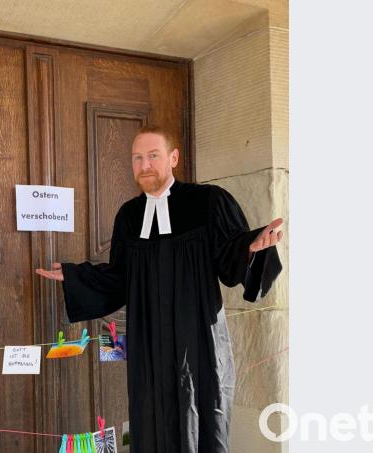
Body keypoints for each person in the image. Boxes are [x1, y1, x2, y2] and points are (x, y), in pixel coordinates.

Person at [35, 125, 283, 453]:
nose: (145, 165)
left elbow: (229, 258)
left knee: (203, 415)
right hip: (148, 345)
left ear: (173, 158)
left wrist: (250, 248)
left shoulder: (208, 202)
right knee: (151, 419)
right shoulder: (129, 216)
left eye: (153, 155)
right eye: (137, 158)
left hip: (199, 341)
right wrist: (75, 276)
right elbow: (119, 278)